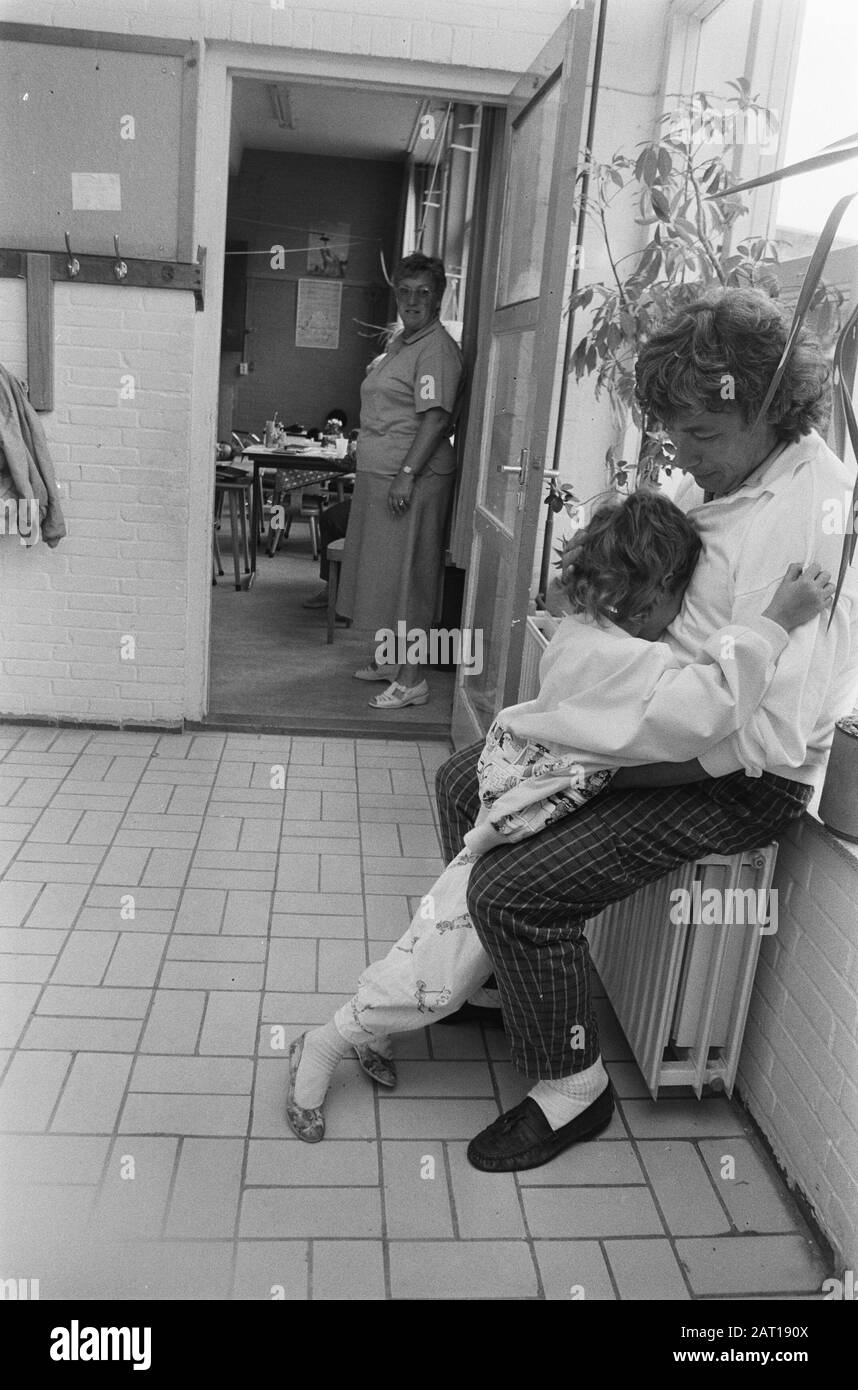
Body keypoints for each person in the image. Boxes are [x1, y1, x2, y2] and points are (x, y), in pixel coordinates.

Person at [433, 285, 858, 1174]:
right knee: (465, 781)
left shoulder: (808, 511)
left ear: (767, 407)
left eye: (700, 437)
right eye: (675, 437)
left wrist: (599, 779)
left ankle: (573, 1090)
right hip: (657, 727)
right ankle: (498, 979)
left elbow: (758, 736)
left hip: (734, 777)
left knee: (515, 891)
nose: (685, 459)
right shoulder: (734, 467)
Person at [284, 489, 834, 1141]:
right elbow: (706, 704)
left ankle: (391, 1012)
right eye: (679, 604)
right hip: (528, 798)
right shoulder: (634, 663)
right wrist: (776, 619)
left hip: (512, 775)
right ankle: (331, 1039)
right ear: (655, 598)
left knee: (448, 911)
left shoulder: (577, 633)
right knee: (452, 942)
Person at [335, 253, 464, 710]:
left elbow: (435, 419)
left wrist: (406, 474)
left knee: (412, 575)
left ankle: (413, 680)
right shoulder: (404, 343)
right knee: (389, 574)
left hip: (413, 477)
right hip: (384, 473)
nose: (412, 300)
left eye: (423, 292)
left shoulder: (435, 349)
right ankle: (394, 661)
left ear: (439, 298)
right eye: (405, 291)